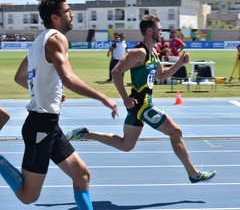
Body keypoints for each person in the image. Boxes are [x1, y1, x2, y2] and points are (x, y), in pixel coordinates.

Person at [0, 0, 118, 210]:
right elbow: (68, 77)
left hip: (49, 126)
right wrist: (102, 97)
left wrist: (49, 93)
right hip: (40, 127)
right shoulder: (56, 38)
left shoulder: (39, 41)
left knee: (81, 175)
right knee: (28, 197)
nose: (71, 15)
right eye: (67, 11)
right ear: (55, 17)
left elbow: (19, 77)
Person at [67, 14, 216, 184]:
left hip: (139, 106)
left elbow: (161, 75)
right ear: (150, 30)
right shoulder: (139, 52)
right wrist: (125, 98)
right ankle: (193, 173)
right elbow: (116, 72)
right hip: (142, 105)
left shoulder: (153, 52)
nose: (162, 33)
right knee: (176, 132)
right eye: (159, 30)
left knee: (126, 145)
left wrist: (180, 63)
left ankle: (86, 134)